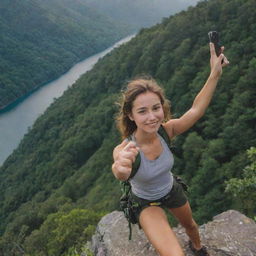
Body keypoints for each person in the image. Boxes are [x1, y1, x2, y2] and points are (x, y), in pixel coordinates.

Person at [111, 42, 229, 256]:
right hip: (145, 202)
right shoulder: (126, 148)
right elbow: (120, 169)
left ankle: (198, 247)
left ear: (162, 108)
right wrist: (121, 166)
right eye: (142, 111)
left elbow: (196, 110)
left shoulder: (167, 131)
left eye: (156, 108)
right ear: (131, 115)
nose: (152, 117)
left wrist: (215, 73)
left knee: (192, 226)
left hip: (171, 189)